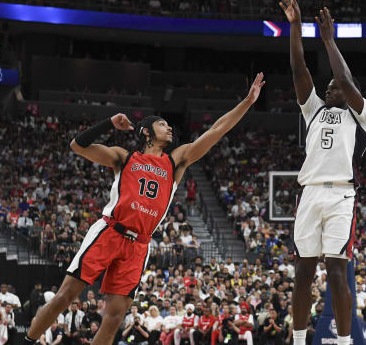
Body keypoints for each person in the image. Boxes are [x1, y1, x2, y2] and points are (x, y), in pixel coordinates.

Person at [23, 74, 265, 345]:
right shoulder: (123, 157)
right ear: (147, 132)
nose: (170, 128)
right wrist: (109, 123)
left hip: (139, 244)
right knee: (65, 297)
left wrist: (246, 102)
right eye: (163, 124)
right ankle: (29, 340)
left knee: (114, 317)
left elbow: (216, 131)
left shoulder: (177, 161)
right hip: (110, 231)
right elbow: (77, 146)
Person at [279, 0, 366, 345]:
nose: (330, 86)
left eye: (336, 86)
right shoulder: (314, 110)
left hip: (340, 195)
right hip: (310, 193)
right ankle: (301, 339)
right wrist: (295, 27)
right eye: (329, 85)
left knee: (337, 270)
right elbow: (298, 69)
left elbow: (347, 81)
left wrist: (330, 42)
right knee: (303, 271)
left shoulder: (362, 114)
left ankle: (344, 341)